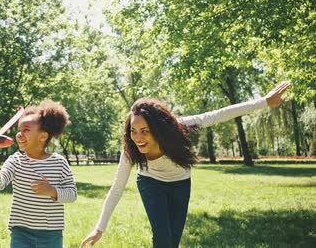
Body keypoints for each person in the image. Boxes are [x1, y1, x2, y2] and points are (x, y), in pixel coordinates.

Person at [81, 81, 291, 248]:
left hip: (180, 184)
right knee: (163, 238)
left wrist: (264, 102)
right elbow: (117, 188)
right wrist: (100, 228)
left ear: (157, 128)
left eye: (144, 131)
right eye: (133, 131)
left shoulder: (179, 127)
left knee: (173, 241)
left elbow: (218, 115)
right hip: (150, 183)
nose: (138, 137)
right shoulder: (130, 149)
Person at [0, 100, 78, 248]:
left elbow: (72, 194)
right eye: (19, 130)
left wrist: (51, 191)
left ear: (43, 136)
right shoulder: (16, 160)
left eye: (26, 129)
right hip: (21, 232)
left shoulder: (59, 163)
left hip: (51, 234)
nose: (19, 134)